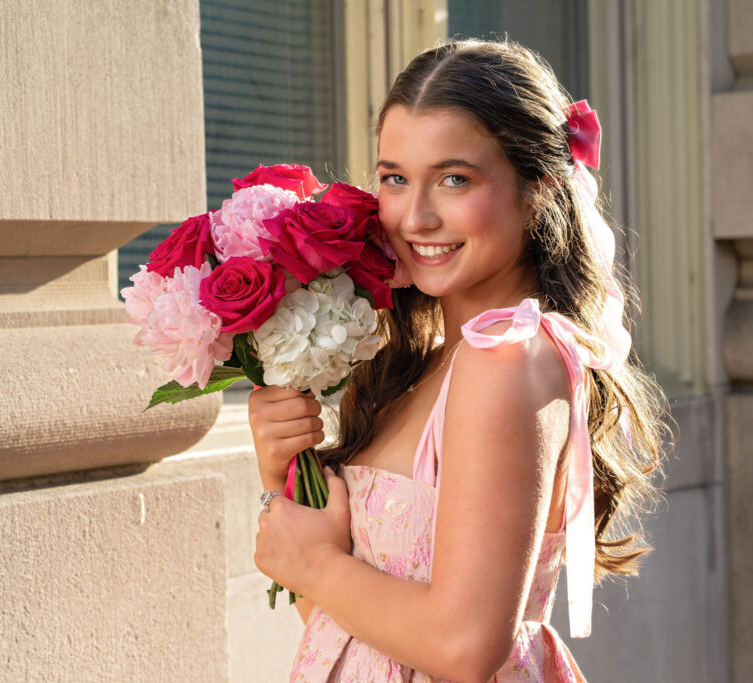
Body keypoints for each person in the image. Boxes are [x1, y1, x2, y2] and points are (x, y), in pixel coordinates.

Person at [248, 38, 666, 682]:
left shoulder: (507, 356)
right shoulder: (417, 366)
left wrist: (317, 563)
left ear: (539, 187)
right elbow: (350, 632)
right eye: (394, 178)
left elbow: (465, 647)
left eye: (453, 179)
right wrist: (284, 471)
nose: (415, 217)